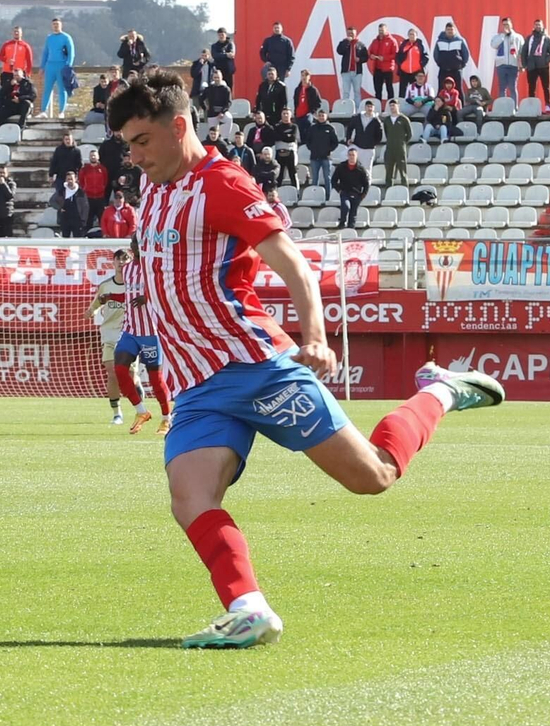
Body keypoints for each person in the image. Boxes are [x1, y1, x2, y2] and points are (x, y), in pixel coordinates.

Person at [107, 71, 504, 648]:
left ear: (179, 126)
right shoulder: (155, 191)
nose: (135, 156)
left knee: (373, 477)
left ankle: (438, 390)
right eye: (127, 145)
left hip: (255, 368)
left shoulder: (223, 184)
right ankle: (249, 609)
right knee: (189, 497)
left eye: (142, 141)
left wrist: (315, 337)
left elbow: (291, 263)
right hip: (197, 387)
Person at [109, 236, 172, 435]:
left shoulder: (154, 267)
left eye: (141, 244)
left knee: (155, 378)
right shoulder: (127, 269)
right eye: (135, 244)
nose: (137, 248)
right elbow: (128, 294)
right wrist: (109, 298)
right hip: (130, 330)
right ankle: (141, 411)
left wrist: (148, 297)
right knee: (119, 369)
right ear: (132, 247)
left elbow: (166, 289)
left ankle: (166, 418)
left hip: (150, 331)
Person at [89, 248, 133, 424]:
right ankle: (117, 413)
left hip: (130, 333)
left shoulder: (136, 283)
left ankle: (137, 392)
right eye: (118, 260)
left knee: (130, 375)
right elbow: (95, 305)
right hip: (109, 334)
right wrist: (91, 312)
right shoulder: (106, 285)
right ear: (113, 262)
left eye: (125, 260)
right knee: (112, 373)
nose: (121, 263)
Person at [304, 106, 341, 200]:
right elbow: (308, 141)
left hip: (326, 157)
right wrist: (312, 148)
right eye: (319, 115)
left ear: (326, 116)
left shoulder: (330, 128)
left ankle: (329, 197)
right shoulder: (313, 128)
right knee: (315, 178)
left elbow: (335, 142)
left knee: (327, 178)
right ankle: (314, 197)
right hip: (314, 157)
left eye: (322, 115)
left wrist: (328, 150)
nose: (321, 117)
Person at [40, 18, 76, 114]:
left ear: (61, 25)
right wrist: (42, 67)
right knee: (47, 88)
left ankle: (61, 111)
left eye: (57, 24)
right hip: (50, 65)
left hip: (62, 65)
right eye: (54, 24)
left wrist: (68, 66)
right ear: (51, 26)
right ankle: (43, 111)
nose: (55, 26)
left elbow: (71, 53)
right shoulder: (49, 38)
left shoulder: (66, 37)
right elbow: (45, 53)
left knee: (62, 89)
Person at [521, 20, 550, 107]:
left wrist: (546, 60)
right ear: (534, 26)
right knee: (532, 87)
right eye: (536, 25)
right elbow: (524, 52)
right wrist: (525, 64)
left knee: (546, 87)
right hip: (531, 67)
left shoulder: (547, 39)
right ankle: (531, 106)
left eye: (539, 25)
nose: (538, 26)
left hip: (543, 66)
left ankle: (548, 105)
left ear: (542, 26)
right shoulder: (529, 38)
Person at [332, 147, 369, 228]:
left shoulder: (361, 169)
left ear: (356, 156)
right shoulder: (341, 167)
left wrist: (363, 195)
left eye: (353, 155)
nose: (352, 157)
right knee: (345, 207)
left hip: (357, 194)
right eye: (350, 155)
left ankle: (350, 230)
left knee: (353, 214)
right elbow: (334, 180)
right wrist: (339, 190)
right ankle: (342, 222)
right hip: (345, 192)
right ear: (347, 156)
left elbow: (366, 184)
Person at [380, 100, 412, 191]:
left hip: (400, 148)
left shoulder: (404, 119)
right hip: (389, 148)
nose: (392, 107)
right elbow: (386, 132)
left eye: (394, 105)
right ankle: (388, 191)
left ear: (398, 106)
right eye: (390, 106)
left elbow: (409, 134)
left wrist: (402, 142)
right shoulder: (387, 120)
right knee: (389, 172)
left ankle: (405, 190)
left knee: (402, 171)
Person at [489, 17, 522, 101]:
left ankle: (514, 108)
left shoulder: (517, 37)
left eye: (507, 24)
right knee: (502, 87)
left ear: (511, 25)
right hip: (501, 65)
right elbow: (493, 45)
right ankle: (502, 108)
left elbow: (522, 51)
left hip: (513, 65)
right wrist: (503, 36)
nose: (505, 26)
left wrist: (521, 65)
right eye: (504, 25)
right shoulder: (498, 37)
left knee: (512, 87)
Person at [335, 26, 368, 106]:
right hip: (346, 72)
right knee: (346, 91)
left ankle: (357, 109)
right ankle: (345, 107)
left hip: (357, 72)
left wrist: (359, 59)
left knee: (357, 91)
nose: (351, 35)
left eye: (352, 33)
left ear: (355, 34)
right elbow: (339, 51)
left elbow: (366, 57)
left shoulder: (360, 44)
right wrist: (347, 42)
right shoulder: (343, 43)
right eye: (349, 33)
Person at [432, 22, 469, 92]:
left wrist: (461, 65)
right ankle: (441, 103)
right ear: (445, 30)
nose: (450, 31)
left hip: (456, 70)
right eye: (448, 29)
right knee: (441, 89)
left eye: (451, 30)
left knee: (459, 90)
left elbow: (465, 54)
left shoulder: (460, 40)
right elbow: (436, 55)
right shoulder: (439, 41)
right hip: (443, 70)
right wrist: (440, 63)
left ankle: (460, 103)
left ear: (455, 30)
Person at [349, 100, 383, 173]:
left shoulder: (376, 121)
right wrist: (348, 138)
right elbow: (350, 128)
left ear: (373, 108)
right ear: (365, 107)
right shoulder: (357, 117)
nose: (369, 108)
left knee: (367, 170)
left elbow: (379, 135)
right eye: (368, 106)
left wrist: (372, 143)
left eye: (371, 107)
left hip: (369, 149)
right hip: (357, 146)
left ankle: (367, 184)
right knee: (353, 166)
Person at [368, 24, 400, 102]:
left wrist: (385, 58)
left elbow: (396, 54)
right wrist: (371, 55)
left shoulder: (392, 40)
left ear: (386, 30)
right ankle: (378, 107)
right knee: (377, 90)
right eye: (379, 30)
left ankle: (391, 106)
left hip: (387, 69)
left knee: (389, 88)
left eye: (382, 30)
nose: (381, 32)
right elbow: (369, 51)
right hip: (377, 68)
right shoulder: (375, 41)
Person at [272, 108, 299, 187]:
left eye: (287, 113)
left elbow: (292, 138)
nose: (286, 115)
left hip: (290, 153)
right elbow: (276, 137)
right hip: (279, 152)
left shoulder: (294, 126)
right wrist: (287, 136)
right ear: (281, 115)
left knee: (292, 174)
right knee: (279, 175)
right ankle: (276, 192)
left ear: (291, 115)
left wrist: (282, 136)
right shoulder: (277, 126)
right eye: (284, 113)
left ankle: (296, 192)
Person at [58, 172, 89, 239]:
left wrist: (83, 221)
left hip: (77, 220)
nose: (70, 181)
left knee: (78, 241)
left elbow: (85, 207)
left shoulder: (81, 192)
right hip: (65, 219)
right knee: (65, 242)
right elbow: (53, 201)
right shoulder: (62, 191)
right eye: (68, 179)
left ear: (76, 179)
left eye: (71, 179)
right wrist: (60, 208)